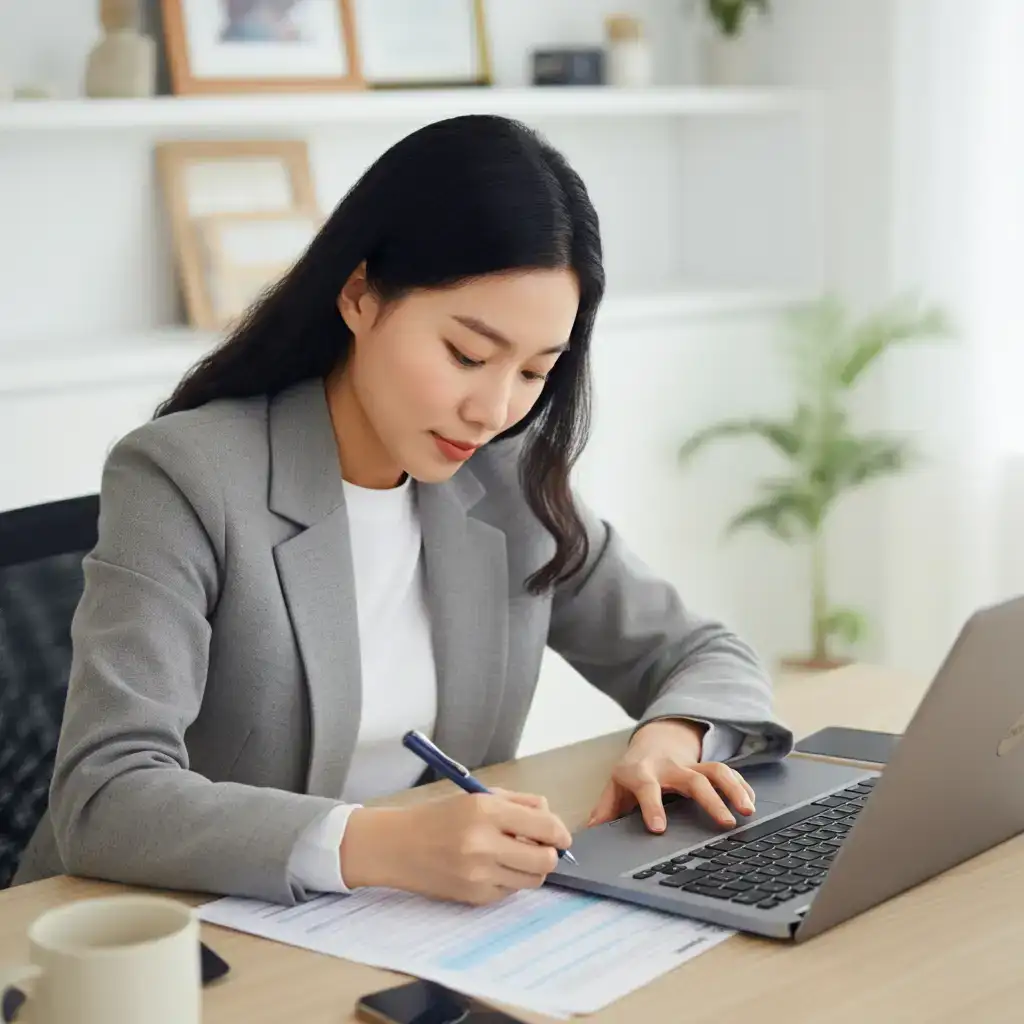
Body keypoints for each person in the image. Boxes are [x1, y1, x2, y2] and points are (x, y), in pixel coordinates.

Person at [15, 115, 793, 907]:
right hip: (159, 930)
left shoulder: (511, 482)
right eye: (467, 354)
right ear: (359, 294)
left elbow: (702, 652)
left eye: (534, 372)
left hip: (396, 929)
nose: (493, 409)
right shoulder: (184, 476)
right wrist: (382, 845)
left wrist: (673, 739)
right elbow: (106, 794)